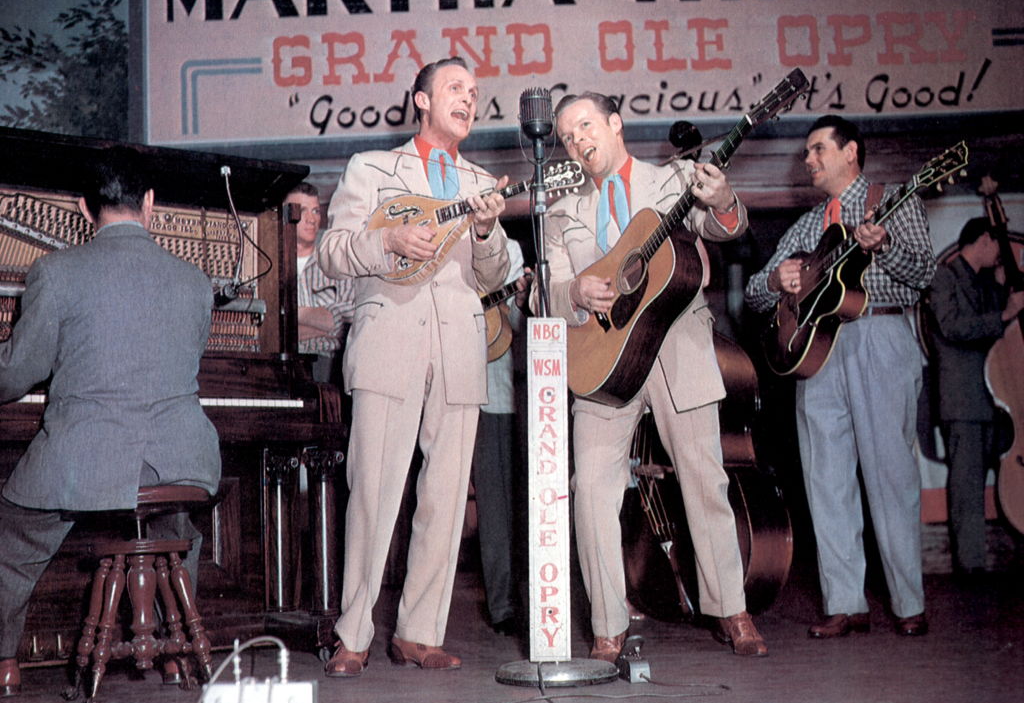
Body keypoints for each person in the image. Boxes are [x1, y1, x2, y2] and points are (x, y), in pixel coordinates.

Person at [537, 91, 767, 660]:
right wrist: (573, 291)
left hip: (678, 343)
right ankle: (608, 626)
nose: (577, 141)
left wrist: (725, 197)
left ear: (615, 124)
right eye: (567, 136)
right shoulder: (561, 210)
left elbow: (726, 228)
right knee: (589, 488)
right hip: (603, 359)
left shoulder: (674, 181)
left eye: (585, 126)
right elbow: (550, 293)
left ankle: (731, 610)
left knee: (704, 480)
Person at [0, 145, 221, 696]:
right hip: (183, 457)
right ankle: (172, 653)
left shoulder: (55, 272)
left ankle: (4, 661)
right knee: (176, 532)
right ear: (149, 203)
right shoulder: (196, 281)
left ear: (82, 208)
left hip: (87, 456)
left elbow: (15, 376)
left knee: (9, 543)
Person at [316, 56, 510, 677]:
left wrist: (485, 235)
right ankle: (353, 632)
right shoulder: (371, 168)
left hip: (459, 349)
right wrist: (387, 243)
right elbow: (332, 250)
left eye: (475, 93)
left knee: (448, 498)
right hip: (389, 341)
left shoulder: (481, 182)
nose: (468, 99)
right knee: (372, 493)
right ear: (421, 100)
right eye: (455, 88)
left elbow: (496, 274)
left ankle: (419, 631)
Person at [744, 115, 935, 638]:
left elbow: (924, 273)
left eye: (817, 149)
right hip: (818, 351)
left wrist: (885, 247)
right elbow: (756, 294)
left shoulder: (894, 199)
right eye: (806, 151)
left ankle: (908, 602)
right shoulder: (808, 225)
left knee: (890, 476)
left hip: (881, 337)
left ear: (851, 152)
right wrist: (777, 280)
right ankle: (845, 601)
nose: (808, 160)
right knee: (824, 479)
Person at [927, 214, 1024, 576]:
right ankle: (971, 569)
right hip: (965, 403)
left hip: (996, 399)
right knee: (967, 488)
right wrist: (1004, 312)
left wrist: (1001, 294)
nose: (1001, 254)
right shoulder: (944, 278)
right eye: (997, 245)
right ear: (984, 239)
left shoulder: (983, 282)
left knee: (1006, 483)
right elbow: (953, 327)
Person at [472, 238, 528, 636]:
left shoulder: (511, 251)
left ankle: (529, 602)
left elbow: (523, 325)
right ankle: (502, 604)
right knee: (492, 509)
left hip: (509, 394)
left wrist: (515, 304)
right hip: (465, 396)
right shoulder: (449, 245)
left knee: (521, 506)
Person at [288, 182, 354, 386]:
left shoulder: (338, 262)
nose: (312, 219)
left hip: (328, 367)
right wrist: (320, 321)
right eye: (303, 210)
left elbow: (346, 322)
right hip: (280, 367)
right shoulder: (267, 265)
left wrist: (291, 315)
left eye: (316, 211)